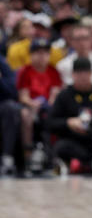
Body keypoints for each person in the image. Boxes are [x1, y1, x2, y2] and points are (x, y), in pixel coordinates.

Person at [17, 38, 63, 173]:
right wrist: (33, 104)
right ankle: (28, 154)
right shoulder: (26, 71)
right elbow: (23, 96)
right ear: (31, 55)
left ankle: (52, 154)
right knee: (26, 115)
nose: (42, 56)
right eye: (38, 52)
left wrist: (50, 103)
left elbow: (55, 92)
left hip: (48, 107)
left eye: (45, 52)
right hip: (30, 106)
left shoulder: (53, 71)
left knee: (52, 114)